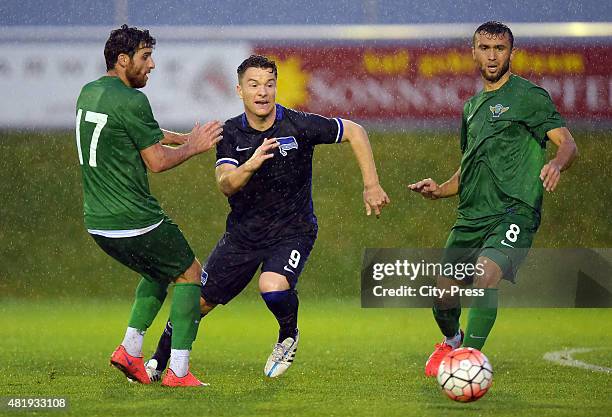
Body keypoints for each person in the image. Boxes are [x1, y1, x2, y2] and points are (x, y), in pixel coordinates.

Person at [144, 54, 390, 380]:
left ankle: (288, 335)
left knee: (272, 286)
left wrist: (371, 185)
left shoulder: (298, 125)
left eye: (269, 84)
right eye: (254, 85)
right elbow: (225, 184)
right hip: (244, 236)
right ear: (239, 90)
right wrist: (251, 163)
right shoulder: (231, 133)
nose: (262, 92)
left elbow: (355, 131)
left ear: (276, 87)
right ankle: (157, 364)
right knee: (197, 303)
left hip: (293, 230)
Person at [409, 21, 578, 376]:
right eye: (485, 48)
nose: (491, 55)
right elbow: (468, 166)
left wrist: (557, 165)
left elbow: (567, 142)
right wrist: (440, 189)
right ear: (473, 52)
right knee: (442, 296)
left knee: (485, 275)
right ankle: (453, 341)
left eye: (499, 49)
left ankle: (468, 360)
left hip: (514, 212)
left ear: (511, 54)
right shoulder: (471, 108)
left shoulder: (528, 96)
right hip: (471, 217)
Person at [75, 24, 222, 387]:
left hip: (98, 222)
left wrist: (184, 136)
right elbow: (156, 160)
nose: (152, 64)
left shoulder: (90, 93)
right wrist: (193, 148)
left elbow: (141, 130)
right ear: (123, 60)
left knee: (158, 271)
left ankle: (130, 350)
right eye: (145, 56)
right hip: (134, 218)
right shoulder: (132, 100)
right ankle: (179, 372)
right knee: (190, 272)